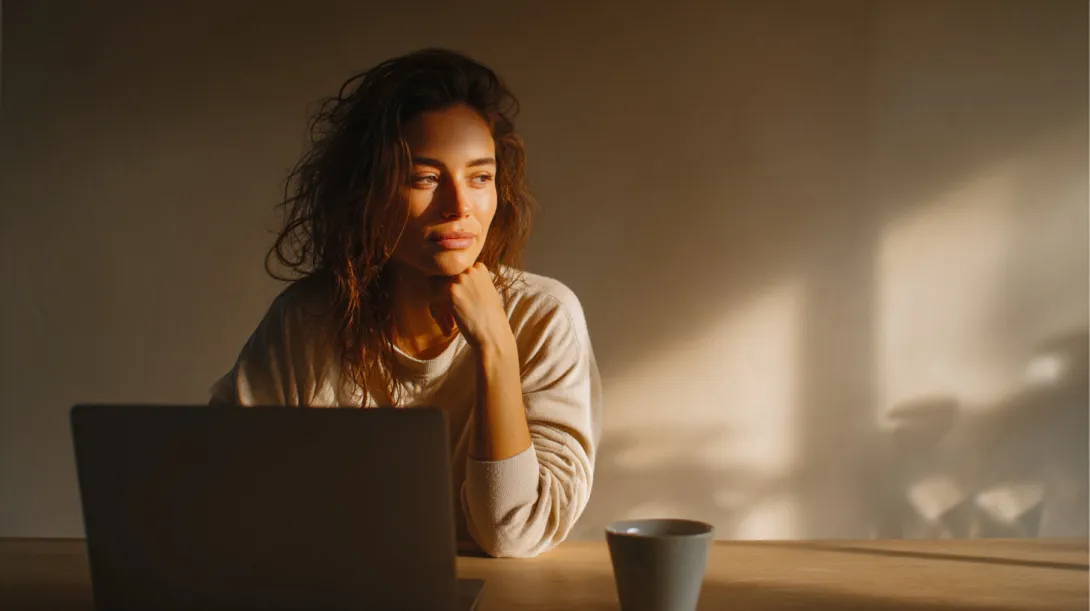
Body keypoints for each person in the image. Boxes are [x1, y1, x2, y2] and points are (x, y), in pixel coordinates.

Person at [209, 48, 602, 559]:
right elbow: (222, 491)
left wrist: (496, 348)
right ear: (368, 191)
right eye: (426, 178)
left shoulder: (544, 316)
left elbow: (512, 533)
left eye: (480, 177)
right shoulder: (306, 320)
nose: (460, 207)